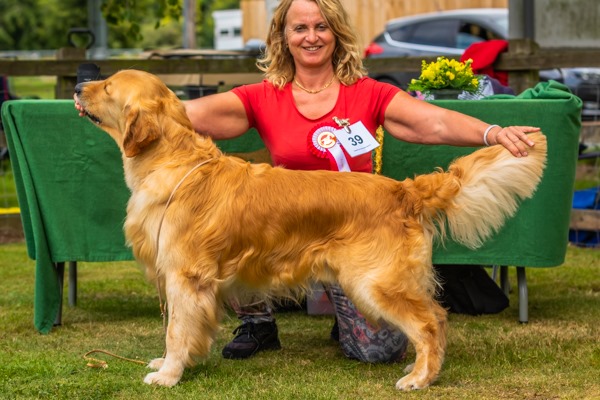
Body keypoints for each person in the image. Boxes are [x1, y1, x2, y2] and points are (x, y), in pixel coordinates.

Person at [184, 0, 538, 362]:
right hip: (286, 235)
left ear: (337, 33)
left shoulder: (368, 92)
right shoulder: (262, 95)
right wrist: (147, 104)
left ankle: (346, 313)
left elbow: (433, 123)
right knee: (233, 221)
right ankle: (257, 322)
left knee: (377, 351)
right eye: (300, 28)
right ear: (283, 37)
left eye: (321, 27)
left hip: (354, 234)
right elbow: (183, 114)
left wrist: (492, 133)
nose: (311, 37)